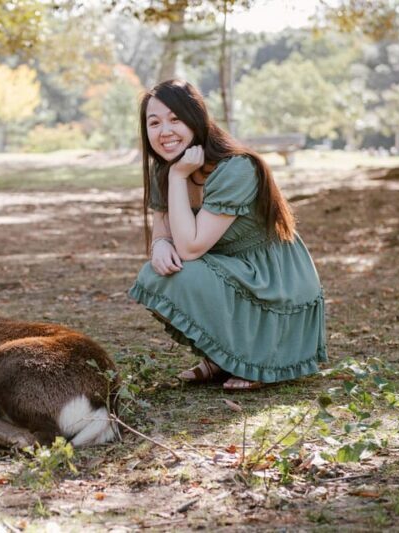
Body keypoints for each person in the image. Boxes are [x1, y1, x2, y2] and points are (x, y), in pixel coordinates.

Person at [128, 79, 327, 391]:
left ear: (196, 118)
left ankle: (259, 361)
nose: (164, 131)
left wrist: (180, 178)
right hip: (227, 268)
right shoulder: (164, 169)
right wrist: (159, 244)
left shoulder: (236, 168)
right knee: (156, 274)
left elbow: (191, 248)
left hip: (271, 276)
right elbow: (163, 225)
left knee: (185, 270)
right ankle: (222, 358)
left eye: (175, 119)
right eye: (154, 123)